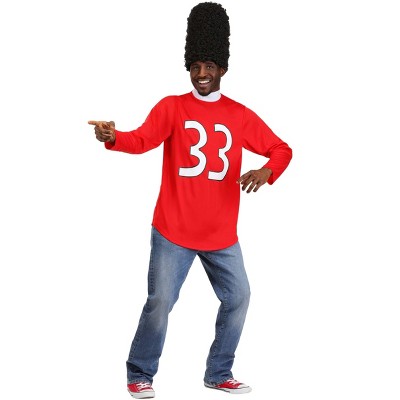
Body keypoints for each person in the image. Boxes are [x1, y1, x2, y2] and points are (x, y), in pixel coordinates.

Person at [89, 2, 292, 398]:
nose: (202, 74)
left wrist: (267, 172)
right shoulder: (173, 106)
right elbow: (142, 140)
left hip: (221, 234)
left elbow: (281, 148)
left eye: (209, 66)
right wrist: (113, 137)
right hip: (174, 229)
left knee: (239, 298)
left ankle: (219, 372)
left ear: (223, 70)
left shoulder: (240, 115)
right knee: (160, 301)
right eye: (195, 66)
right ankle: (140, 372)